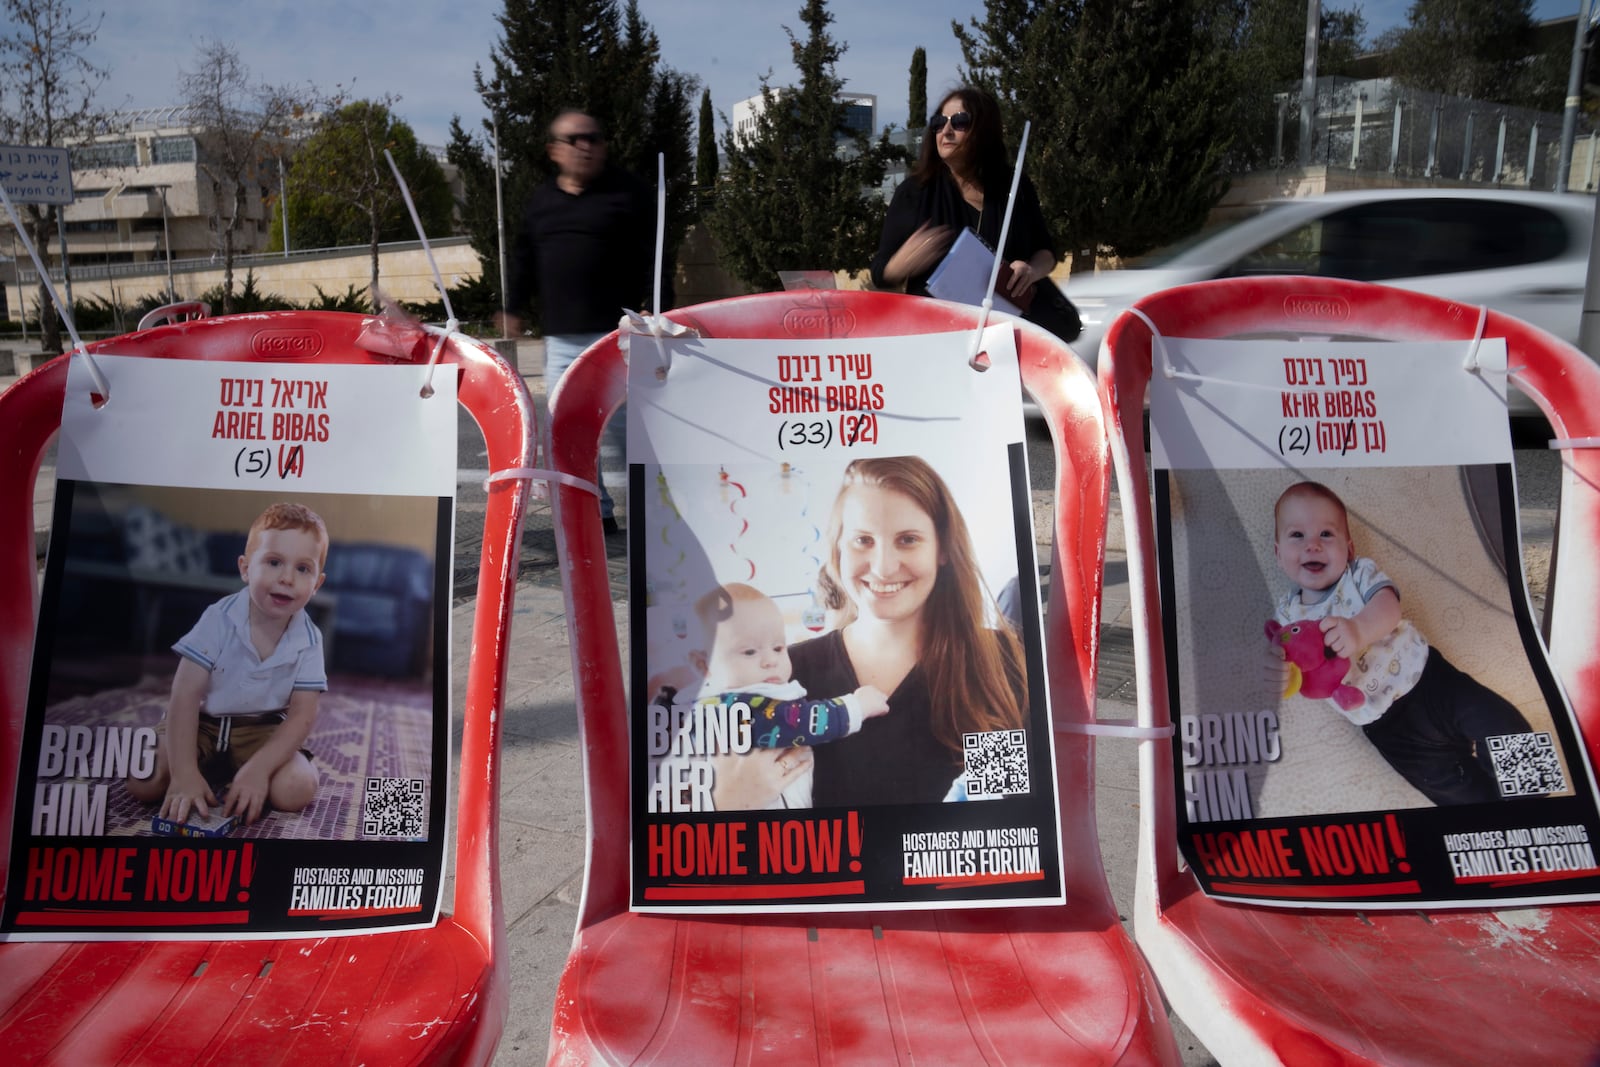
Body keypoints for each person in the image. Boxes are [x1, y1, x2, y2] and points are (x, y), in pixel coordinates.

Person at [716, 456, 1029, 809]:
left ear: (942, 549)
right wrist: (726, 803)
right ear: (837, 549)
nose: (882, 567)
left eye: (908, 539)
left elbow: (1004, 815)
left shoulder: (995, 664)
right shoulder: (784, 675)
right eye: (863, 540)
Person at [1267, 481, 1536, 805]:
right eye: (1297, 535)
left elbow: (1388, 606)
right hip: (1388, 727)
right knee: (1456, 793)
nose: (1312, 545)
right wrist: (1280, 676)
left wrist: (1358, 629)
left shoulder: (1357, 575)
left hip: (1431, 681)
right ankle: (1499, 824)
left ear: (1349, 550)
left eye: (1326, 534)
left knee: (1509, 730)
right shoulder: (1287, 615)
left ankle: (1535, 802)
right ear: (1279, 554)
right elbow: (1285, 662)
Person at [497, 109, 662, 535]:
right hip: (563, 342)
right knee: (570, 434)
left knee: (629, 435)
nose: (586, 145)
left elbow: (653, 255)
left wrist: (657, 307)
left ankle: (650, 518)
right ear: (555, 151)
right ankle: (597, 513)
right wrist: (512, 307)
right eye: (576, 139)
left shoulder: (628, 193)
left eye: (594, 137)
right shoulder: (541, 202)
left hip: (619, 338)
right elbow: (523, 258)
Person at [127, 503, 329, 826]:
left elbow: (302, 715)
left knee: (297, 788)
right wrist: (183, 774)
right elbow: (185, 695)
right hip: (201, 725)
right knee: (142, 777)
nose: (287, 578)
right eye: (274, 562)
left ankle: (242, 772)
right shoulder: (218, 619)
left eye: (303, 569)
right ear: (246, 569)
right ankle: (195, 768)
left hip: (262, 730)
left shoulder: (310, 639)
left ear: (317, 585)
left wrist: (260, 769)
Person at [662, 582, 889, 811]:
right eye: (750, 651)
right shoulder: (732, 705)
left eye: (779, 648)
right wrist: (855, 706)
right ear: (704, 665)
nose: (770, 660)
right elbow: (796, 722)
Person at [871, 87, 1074, 338]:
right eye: (938, 123)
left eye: (959, 122)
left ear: (984, 130)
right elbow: (880, 272)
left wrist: (1031, 270)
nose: (945, 131)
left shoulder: (1015, 187)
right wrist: (899, 265)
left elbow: (1046, 251)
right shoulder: (914, 192)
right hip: (937, 339)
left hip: (1006, 337)